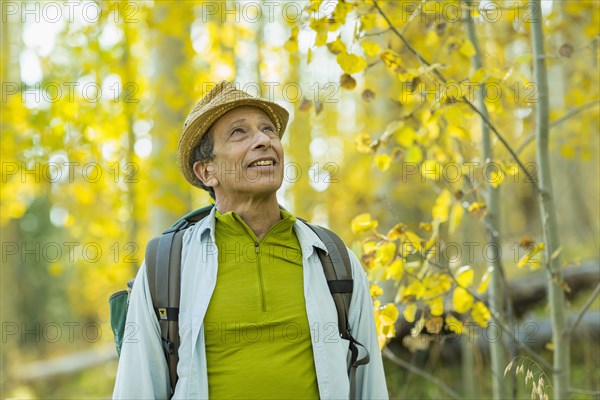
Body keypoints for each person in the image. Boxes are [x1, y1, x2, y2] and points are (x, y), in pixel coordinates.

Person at [113, 81, 388, 399]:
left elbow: (370, 388)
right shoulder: (165, 266)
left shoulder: (335, 260)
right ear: (207, 172)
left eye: (269, 130)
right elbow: (137, 389)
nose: (264, 141)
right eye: (239, 132)